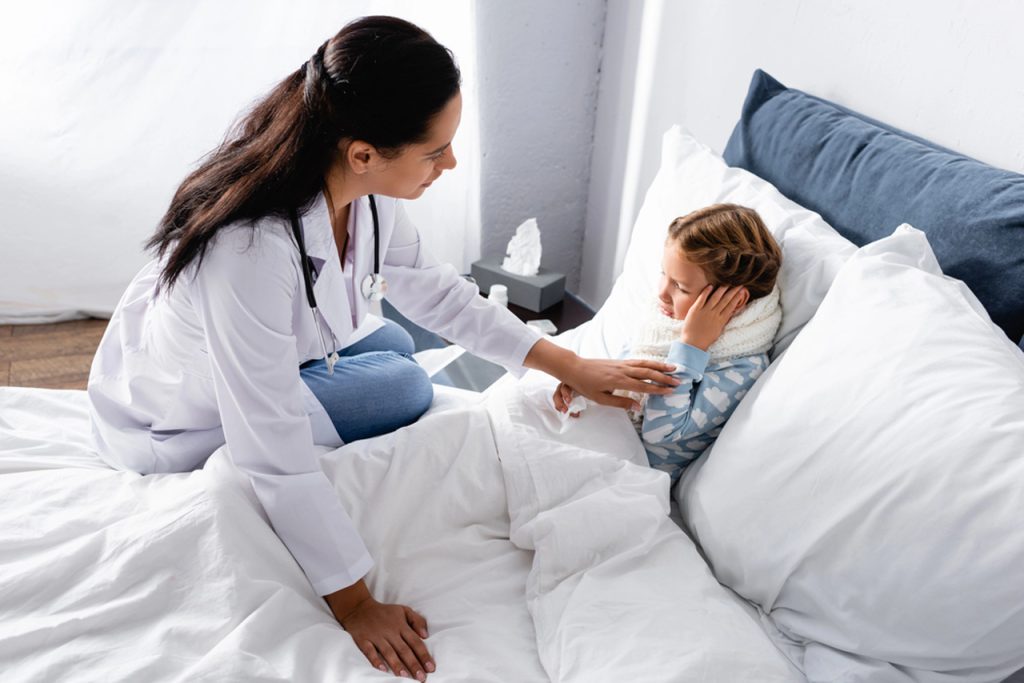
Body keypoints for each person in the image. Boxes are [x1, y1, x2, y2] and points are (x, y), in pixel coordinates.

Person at [87, 16, 679, 681]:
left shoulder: (358, 189)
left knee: (396, 337)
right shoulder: (248, 251)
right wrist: (355, 601)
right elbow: (269, 446)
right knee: (406, 384)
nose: (449, 164)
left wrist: (567, 363)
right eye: (435, 151)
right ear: (364, 152)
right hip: (176, 414)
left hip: (251, 342)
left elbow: (432, 289)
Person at [554, 203, 783, 484]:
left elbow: (659, 431)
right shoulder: (660, 325)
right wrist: (585, 382)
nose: (661, 293)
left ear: (734, 301)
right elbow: (626, 371)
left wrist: (691, 348)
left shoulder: (741, 366)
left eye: (682, 287)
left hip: (630, 471)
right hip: (600, 434)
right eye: (664, 274)